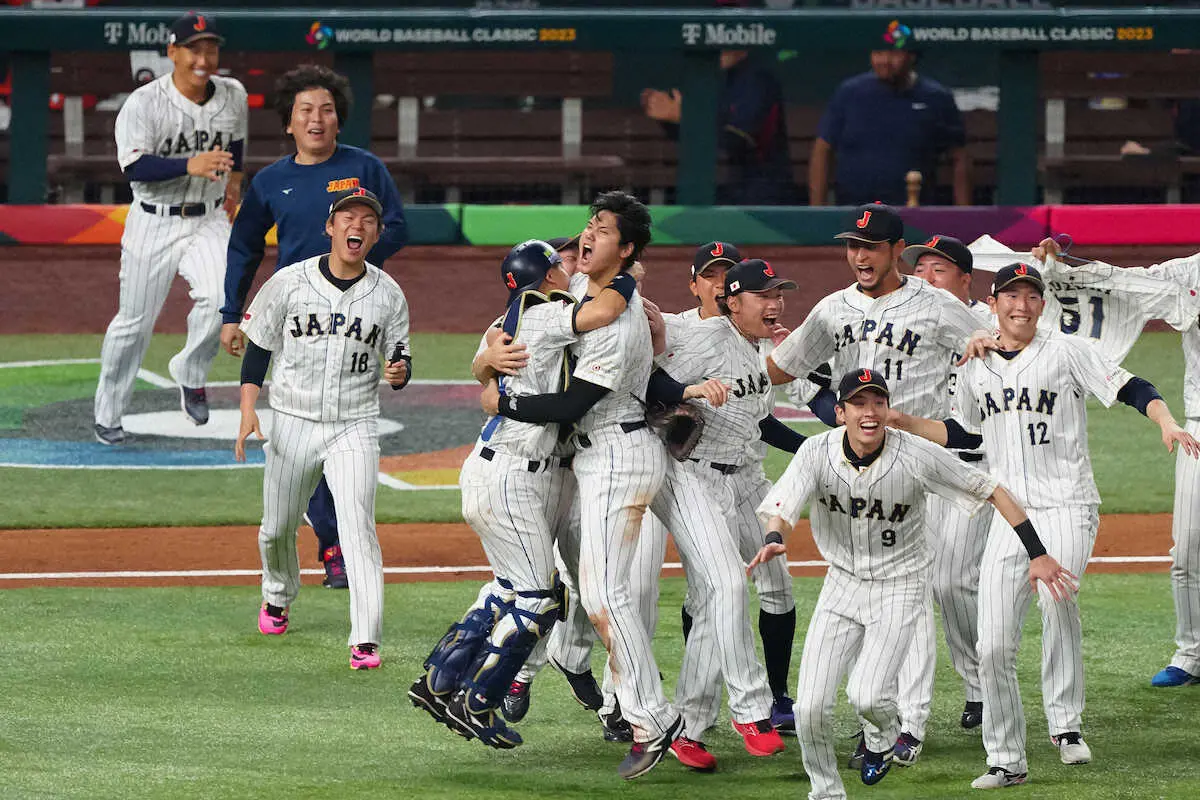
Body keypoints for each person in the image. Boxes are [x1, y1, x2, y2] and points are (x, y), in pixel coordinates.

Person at [887, 263, 1199, 789]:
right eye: (1012, 295)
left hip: (1069, 504)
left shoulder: (1065, 351)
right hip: (1007, 511)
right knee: (991, 644)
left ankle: (1065, 725)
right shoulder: (975, 365)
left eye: (1032, 296)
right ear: (994, 302)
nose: (1022, 305)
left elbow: (1132, 386)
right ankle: (1006, 758)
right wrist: (906, 422)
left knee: (1058, 600)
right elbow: (964, 432)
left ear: (1042, 304)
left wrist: (1166, 420)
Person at [480, 191, 732, 779]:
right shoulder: (586, 297)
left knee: (602, 596)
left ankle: (649, 715)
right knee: (593, 593)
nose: (588, 235)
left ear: (627, 249)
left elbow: (573, 402)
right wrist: (485, 364)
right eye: (587, 224)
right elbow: (514, 332)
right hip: (603, 457)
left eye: (602, 228)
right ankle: (636, 705)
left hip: (618, 455)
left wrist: (507, 399)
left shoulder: (618, 323)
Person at [749, 368, 1074, 800]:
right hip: (841, 585)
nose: (870, 413)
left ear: (887, 408)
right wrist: (774, 538)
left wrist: (1037, 552)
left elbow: (991, 488)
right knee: (809, 709)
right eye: (859, 404)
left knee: (867, 695)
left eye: (878, 403)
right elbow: (783, 504)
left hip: (900, 585)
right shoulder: (816, 451)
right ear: (841, 411)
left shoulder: (916, 454)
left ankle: (882, 741)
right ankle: (826, 791)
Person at [764, 204, 995, 766]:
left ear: (896, 251)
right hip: (861, 467)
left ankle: (907, 725)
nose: (860, 256)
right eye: (853, 246)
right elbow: (780, 368)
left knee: (917, 591)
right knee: (880, 593)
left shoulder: (936, 304)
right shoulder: (831, 308)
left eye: (871, 246)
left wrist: (987, 347)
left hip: (924, 461)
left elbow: (992, 344)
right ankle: (885, 720)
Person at [407, 239, 633, 748]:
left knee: (508, 590)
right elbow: (605, 311)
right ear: (549, 274)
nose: (571, 265)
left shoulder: (515, 314)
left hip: (506, 468)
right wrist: (625, 274)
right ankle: (477, 700)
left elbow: (486, 366)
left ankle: (439, 680)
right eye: (563, 261)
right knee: (536, 601)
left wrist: (485, 366)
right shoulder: (547, 311)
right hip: (514, 472)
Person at [220, 64, 408, 589]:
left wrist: (360, 258)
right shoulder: (270, 181)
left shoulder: (365, 168)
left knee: (344, 424)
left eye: (326, 109)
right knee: (305, 423)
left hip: (357, 319)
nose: (316, 119)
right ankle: (328, 541)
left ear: (338, 118)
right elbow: (244, 246)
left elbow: (396, 225)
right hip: (294, 321)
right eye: (305, 110)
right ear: (289, 121)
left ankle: (334, 540)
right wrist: (233, 314)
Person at [233, 188, 411, 670]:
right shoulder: (289, 282)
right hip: (291, 421)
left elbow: (399, 360)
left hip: (354, 424)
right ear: (330, 227)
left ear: (375, 233)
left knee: (358, 528)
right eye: (348, 217)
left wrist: (398, 373)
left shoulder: (388, 294)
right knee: (276, 529)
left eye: (368, 220)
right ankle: (277, 594)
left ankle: (366, 639)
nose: (358, 225)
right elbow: (258, 350)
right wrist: (249, 408)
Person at [654, 257, 809, 771]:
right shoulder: (704, 338)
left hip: (745, 481)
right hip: (693, 477)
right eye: (765, 295)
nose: (776, 303)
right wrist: (683, 398)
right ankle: (751, 708)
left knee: (715, 599)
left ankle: (689, 729)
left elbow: (761, 422)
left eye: (778, 294)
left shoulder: (753, 345)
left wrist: (817, 449)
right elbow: (649, 387)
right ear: (734, 302)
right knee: (726, 588)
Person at [94, 12, 247, 445]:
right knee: (134, 322)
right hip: (153, 220)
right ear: (173, 53)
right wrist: (188, 164)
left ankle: (190, 371)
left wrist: (234, 188)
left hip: (209, 217)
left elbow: (235, 144)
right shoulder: (144, 103)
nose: (204, 57)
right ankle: (108, 414)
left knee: (222, 300)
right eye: (194, 48)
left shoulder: (233, 94)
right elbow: (134, 166)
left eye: (210, 48)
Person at [889, 235, 996, 761]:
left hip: (975, 470)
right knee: (911, 586)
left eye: (939, 269)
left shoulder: (988, 333)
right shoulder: (914, 322)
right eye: (921, 268)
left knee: (952, 578)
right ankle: (910, 704)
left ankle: (981, 684)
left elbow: (973, 433)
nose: (927, 276)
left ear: (965, 282)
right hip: (918, 470)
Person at [641, 28, 799, 205]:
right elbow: (699, 137)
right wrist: (667, 118)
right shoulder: (719, 79)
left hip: (765, 202)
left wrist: (684, 117)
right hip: (730, 195)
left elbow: (737, 139)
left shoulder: (758, 79)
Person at [809, 48, 969, 207]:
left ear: (912, 56)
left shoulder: (937, 97)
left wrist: (965, 214)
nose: (885, 61)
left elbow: (960, 157)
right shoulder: (849, 93)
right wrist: (817, 210)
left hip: (914, 211)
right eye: (878, 53)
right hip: (853, 210)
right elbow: (822, 149)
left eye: (894, 54)